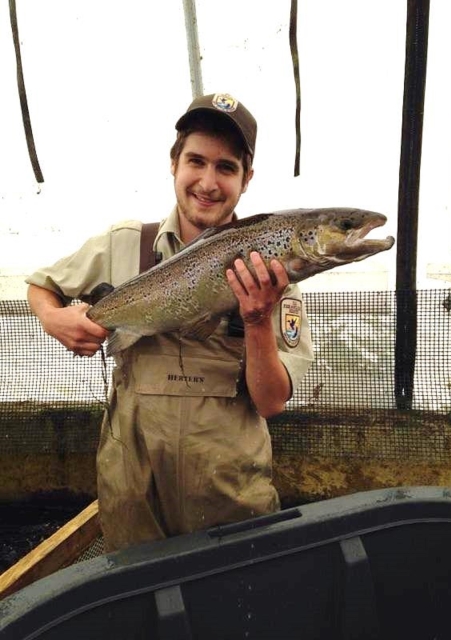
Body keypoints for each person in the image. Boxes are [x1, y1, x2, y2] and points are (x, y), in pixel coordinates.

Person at [26, 92, 314, 552]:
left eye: (226, 167)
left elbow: (272, 402)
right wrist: (52, 317)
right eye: (196, 161)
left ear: (247, 179)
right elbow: (41, 286)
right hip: (133, 489)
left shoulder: (275, 275)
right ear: (174, 163)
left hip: (229, 495)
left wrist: (258, 318)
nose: (207, 181)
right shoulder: (122, 244)